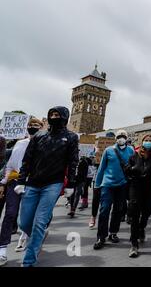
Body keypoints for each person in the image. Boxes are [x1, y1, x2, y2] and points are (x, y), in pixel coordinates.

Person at [14, 107, 78, 267]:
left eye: (57, 115)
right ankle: (39, 235)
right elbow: (27, 160)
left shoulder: (70, 137)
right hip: (33, 183)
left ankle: (28, 261)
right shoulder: (39, 136)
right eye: (51, 115)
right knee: (24, 223)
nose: (54, 117)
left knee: (39, 222)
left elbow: (73, 162)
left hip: (53, 184)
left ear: (64, 117)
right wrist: (21, 180)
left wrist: (70, 183)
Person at [0, 118, 43, 266]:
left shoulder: (46, 144)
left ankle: (28, 240)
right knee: (10, 213)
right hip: (16, 182)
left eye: (36, 125)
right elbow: (11, 165)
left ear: (42, 127)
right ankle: (3, 249)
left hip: (34, 184)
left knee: (27, 218)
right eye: (30, 125)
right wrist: (4, 182)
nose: (33, 127)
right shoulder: (20, 143)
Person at [93, 130, 134, 250]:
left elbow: (132, 166)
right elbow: (101, 168)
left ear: (126, 138)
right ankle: (101, 236)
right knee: (104, 209)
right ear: (116, 138)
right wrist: (97, 184)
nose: (121, 138)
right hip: (107, 184)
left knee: (118, 210)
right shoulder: (109, 150)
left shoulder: (130, 150)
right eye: (119, 136)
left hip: (122, 184)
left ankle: (113, 232)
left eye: (123, 136)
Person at [126, 135, 151, 258]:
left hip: (148, 187)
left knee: (147, 211)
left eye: (150, 141)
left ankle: (142, 228)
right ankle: (134, 244)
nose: (148, 142)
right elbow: (127, 170)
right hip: (135, 187)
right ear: (142, 142)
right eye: (146, 140)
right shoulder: (134, 156)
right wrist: (132, 169)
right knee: (135, 213)